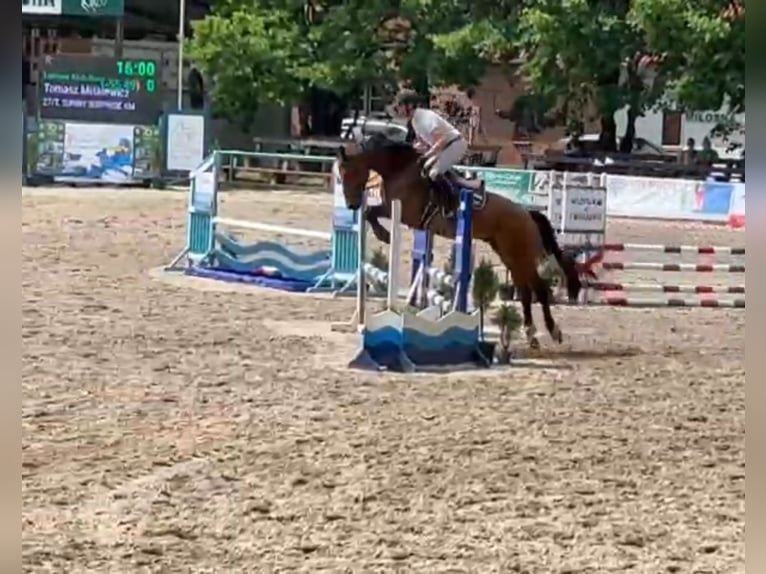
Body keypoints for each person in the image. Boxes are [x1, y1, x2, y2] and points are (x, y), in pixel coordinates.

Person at [395, 90, 468, 187]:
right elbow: (423, 144)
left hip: (454, 144)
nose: (398, 109)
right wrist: (408, 150)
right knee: (420, 168)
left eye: (400, 105)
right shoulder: (414, 121)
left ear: (410, 105)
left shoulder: (425, 118)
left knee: (433, 174)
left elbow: (443, 139)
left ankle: (465, 186)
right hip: (444, 148)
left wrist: (428, 154)